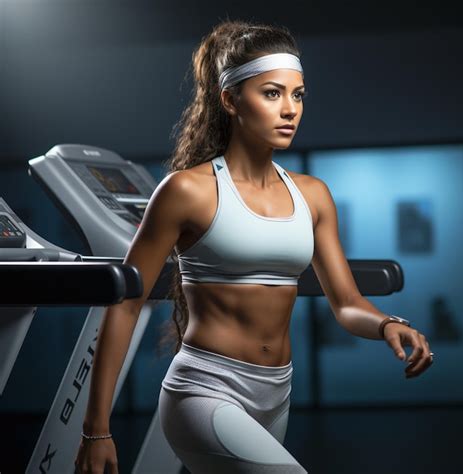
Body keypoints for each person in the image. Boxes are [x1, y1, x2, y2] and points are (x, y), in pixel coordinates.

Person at [75, 19, 435, 474]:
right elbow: (126, 306)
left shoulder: (313, 195)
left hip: (276, 394)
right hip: (204, 392)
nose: (290, 110)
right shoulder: (187, 191)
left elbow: (345, 303)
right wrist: (96, 428)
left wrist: (387, 324)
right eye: (272, 93)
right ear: (230, 100)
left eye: (297, 94)